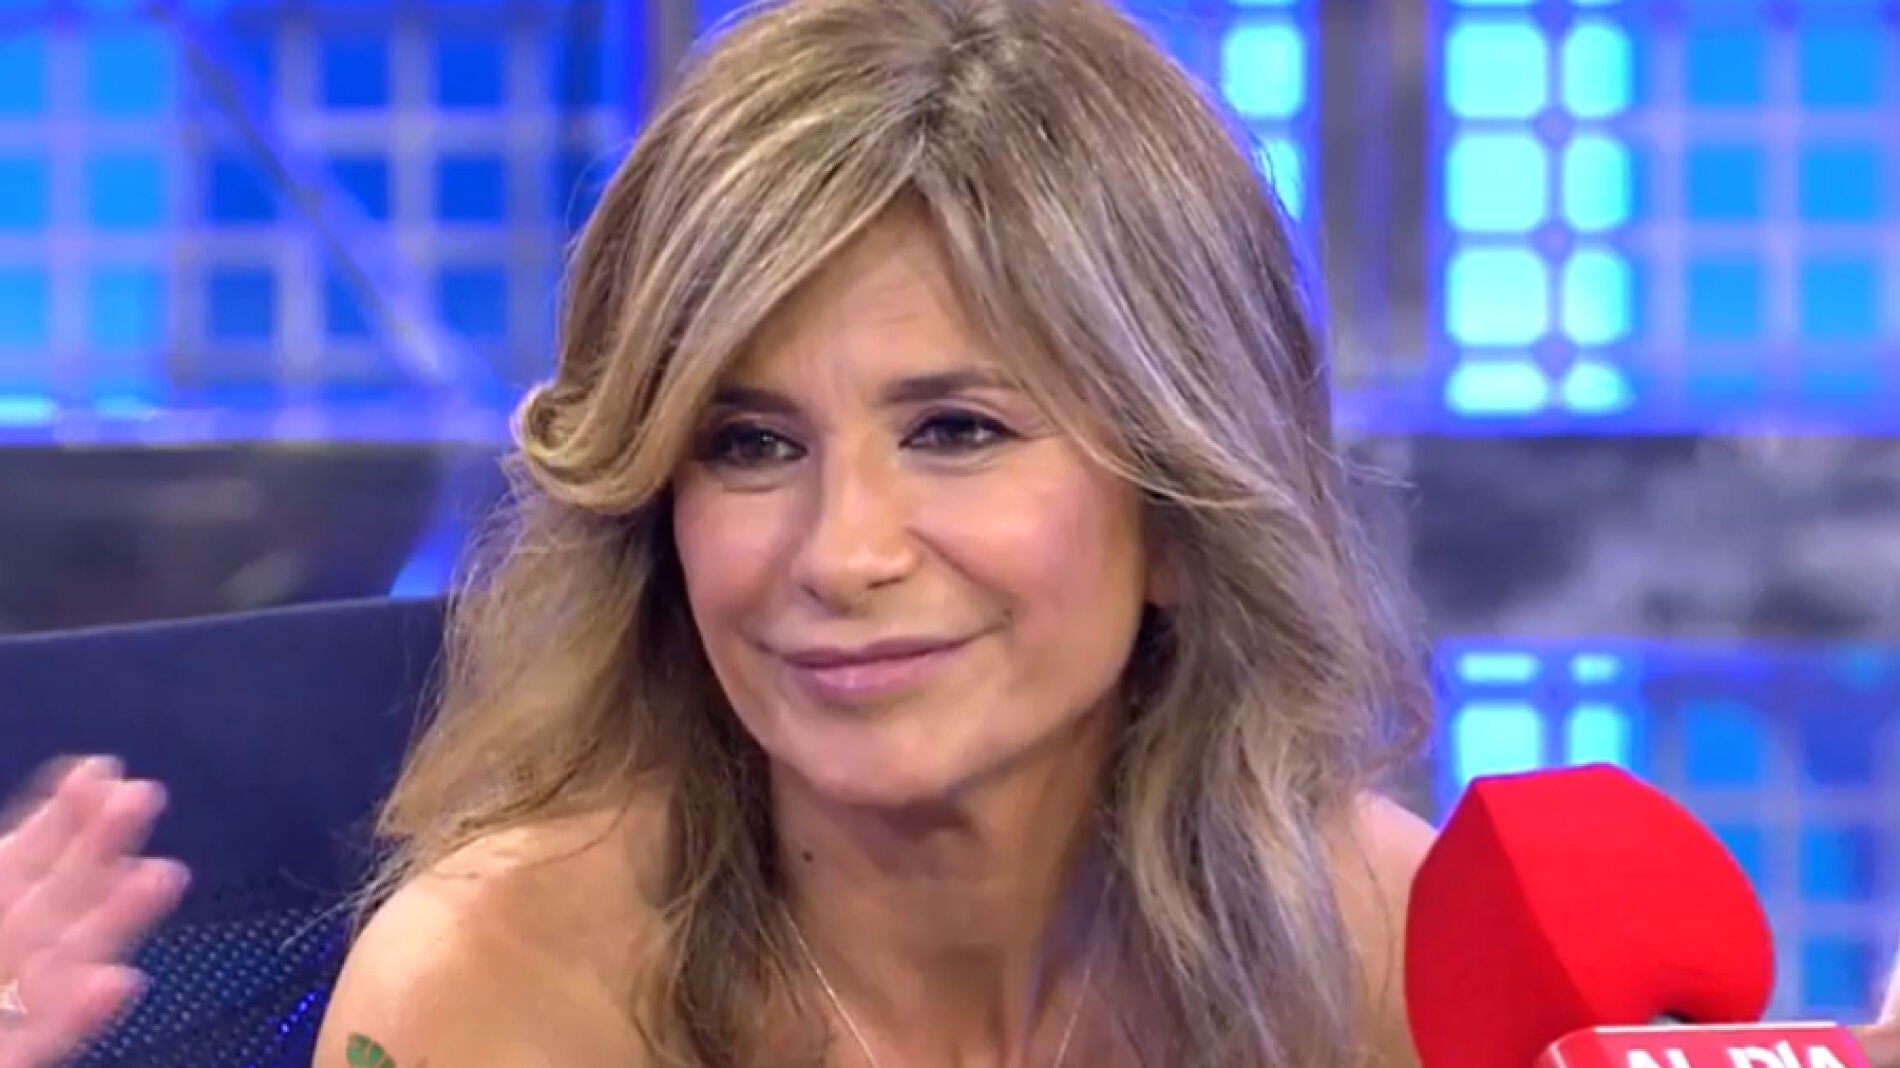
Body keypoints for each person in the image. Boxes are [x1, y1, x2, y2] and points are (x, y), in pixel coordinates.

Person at [2, 1, 1895, 1066]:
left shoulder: (1404, 962)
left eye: (958, 431)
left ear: (1180, 499)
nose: (842, 551)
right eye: (751, 445)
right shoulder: (505, 988)